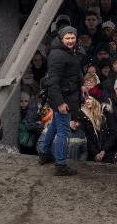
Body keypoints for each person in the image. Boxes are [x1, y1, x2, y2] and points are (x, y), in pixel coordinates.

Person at [38, 26, 82, 176]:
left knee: (55, 126)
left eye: (72, 38)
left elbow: (72, 73)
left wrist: (81, 85)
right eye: (67, 38)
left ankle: (44, 153)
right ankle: (61, 164)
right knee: (64, 131)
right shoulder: (57, 55)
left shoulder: (69, 51)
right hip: (63, 99)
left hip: (67, 95)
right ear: (61, 39)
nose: (70, 41)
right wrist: (60, 103)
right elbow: (53, 82)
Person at [76, 95, 117, 163]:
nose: (87, 101)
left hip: (107, 152)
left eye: (89, 99)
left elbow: (113, 134)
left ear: (96, 100)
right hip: (91, 154)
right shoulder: (82, 116)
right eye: (85, 99)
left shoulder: (106, 114)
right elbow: (85, 137)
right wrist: (95, 153)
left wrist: (104, 150)